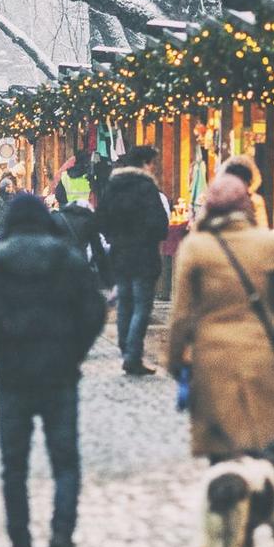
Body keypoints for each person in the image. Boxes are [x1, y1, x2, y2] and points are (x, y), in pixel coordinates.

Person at [0, 192, 106, 547]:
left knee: (14, 467)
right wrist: (75, 351)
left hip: (13, 376)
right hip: (60, 374)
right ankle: (62, 537)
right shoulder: (67, 259)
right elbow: (93, 311)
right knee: (65, 463)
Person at [166, 174, 274, 461]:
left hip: (212, 357)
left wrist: (175, 359)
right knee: (259, 443)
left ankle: (226, 486)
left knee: (221, 449)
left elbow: (182, 313)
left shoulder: (195, 247)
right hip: (259, 353)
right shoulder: (266, 243)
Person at [99, 145, 169, 377]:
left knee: (125, 303)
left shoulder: (113, 186)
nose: (154, 168)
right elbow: (160, 224)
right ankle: (133, 355)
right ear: (145, 164)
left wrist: (115, 238)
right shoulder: (146, 187)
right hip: (143, 255)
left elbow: (102, 220)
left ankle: (125, 348)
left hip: (120, 254)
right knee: (141, 306)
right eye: (153, 163)